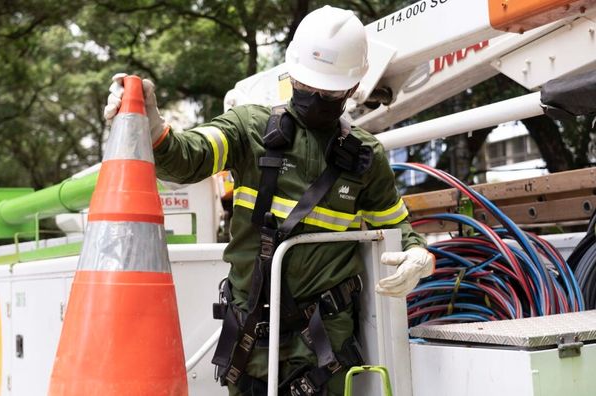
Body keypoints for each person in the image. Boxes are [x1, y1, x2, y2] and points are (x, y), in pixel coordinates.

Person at [104, 5, 434, 395]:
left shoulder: (365, 157)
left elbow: (396, 227)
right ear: (291, 73)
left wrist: (419, 256)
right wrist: (152, 127)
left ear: (352, 88)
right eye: (310, 86)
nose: (316, 97)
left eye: (328, 91)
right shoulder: (249, 129)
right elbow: (186, 158)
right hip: (251, 340)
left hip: (324, 346)